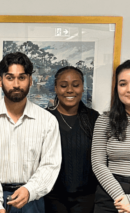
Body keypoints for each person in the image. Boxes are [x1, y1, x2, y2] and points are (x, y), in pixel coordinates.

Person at [0, 52, 62, 213]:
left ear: (30, 80)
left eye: (22, 77)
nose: (16, 84)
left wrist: (30, 190)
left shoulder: (47, 121)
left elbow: (50, 165)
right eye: (10, 77)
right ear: (0, 81)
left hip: (32, 199)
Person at [92, 60, 130, 213]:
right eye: (122, 84)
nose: (129, 89)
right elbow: (98, 164)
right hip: (110, 194)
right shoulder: (104, 120)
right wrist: (122, 199)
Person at [44, 66, 99, 213]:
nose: (69, 90)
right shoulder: (44, 119)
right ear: (55, 88)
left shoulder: (94, 119)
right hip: (51, 198)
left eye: (75, 85)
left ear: (82, 88)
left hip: (87, 199)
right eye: (63, 85)